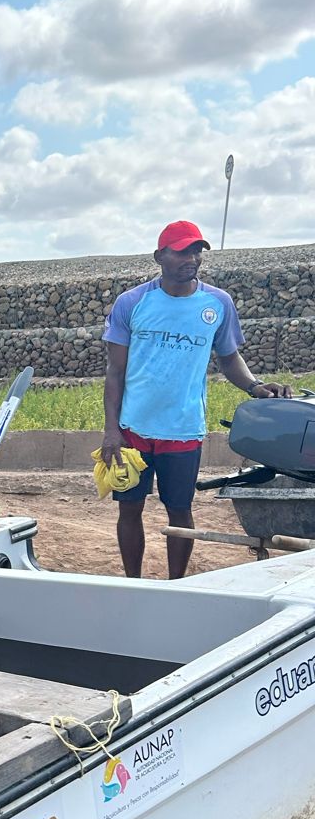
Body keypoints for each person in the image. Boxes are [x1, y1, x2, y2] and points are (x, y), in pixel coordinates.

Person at [101, 219, 289, 580]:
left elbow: (229, 357)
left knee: (180, 510)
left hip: (184, 430)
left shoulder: (217, 304)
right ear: (159, 256)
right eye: (182, 250)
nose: (192, 258)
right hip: (132, 430)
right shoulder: (133, 303)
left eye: (197, 250)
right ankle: (132, 583)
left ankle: (175, 585)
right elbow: (115, 372)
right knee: (129, 508)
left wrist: (255, 386)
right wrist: (112, 430)